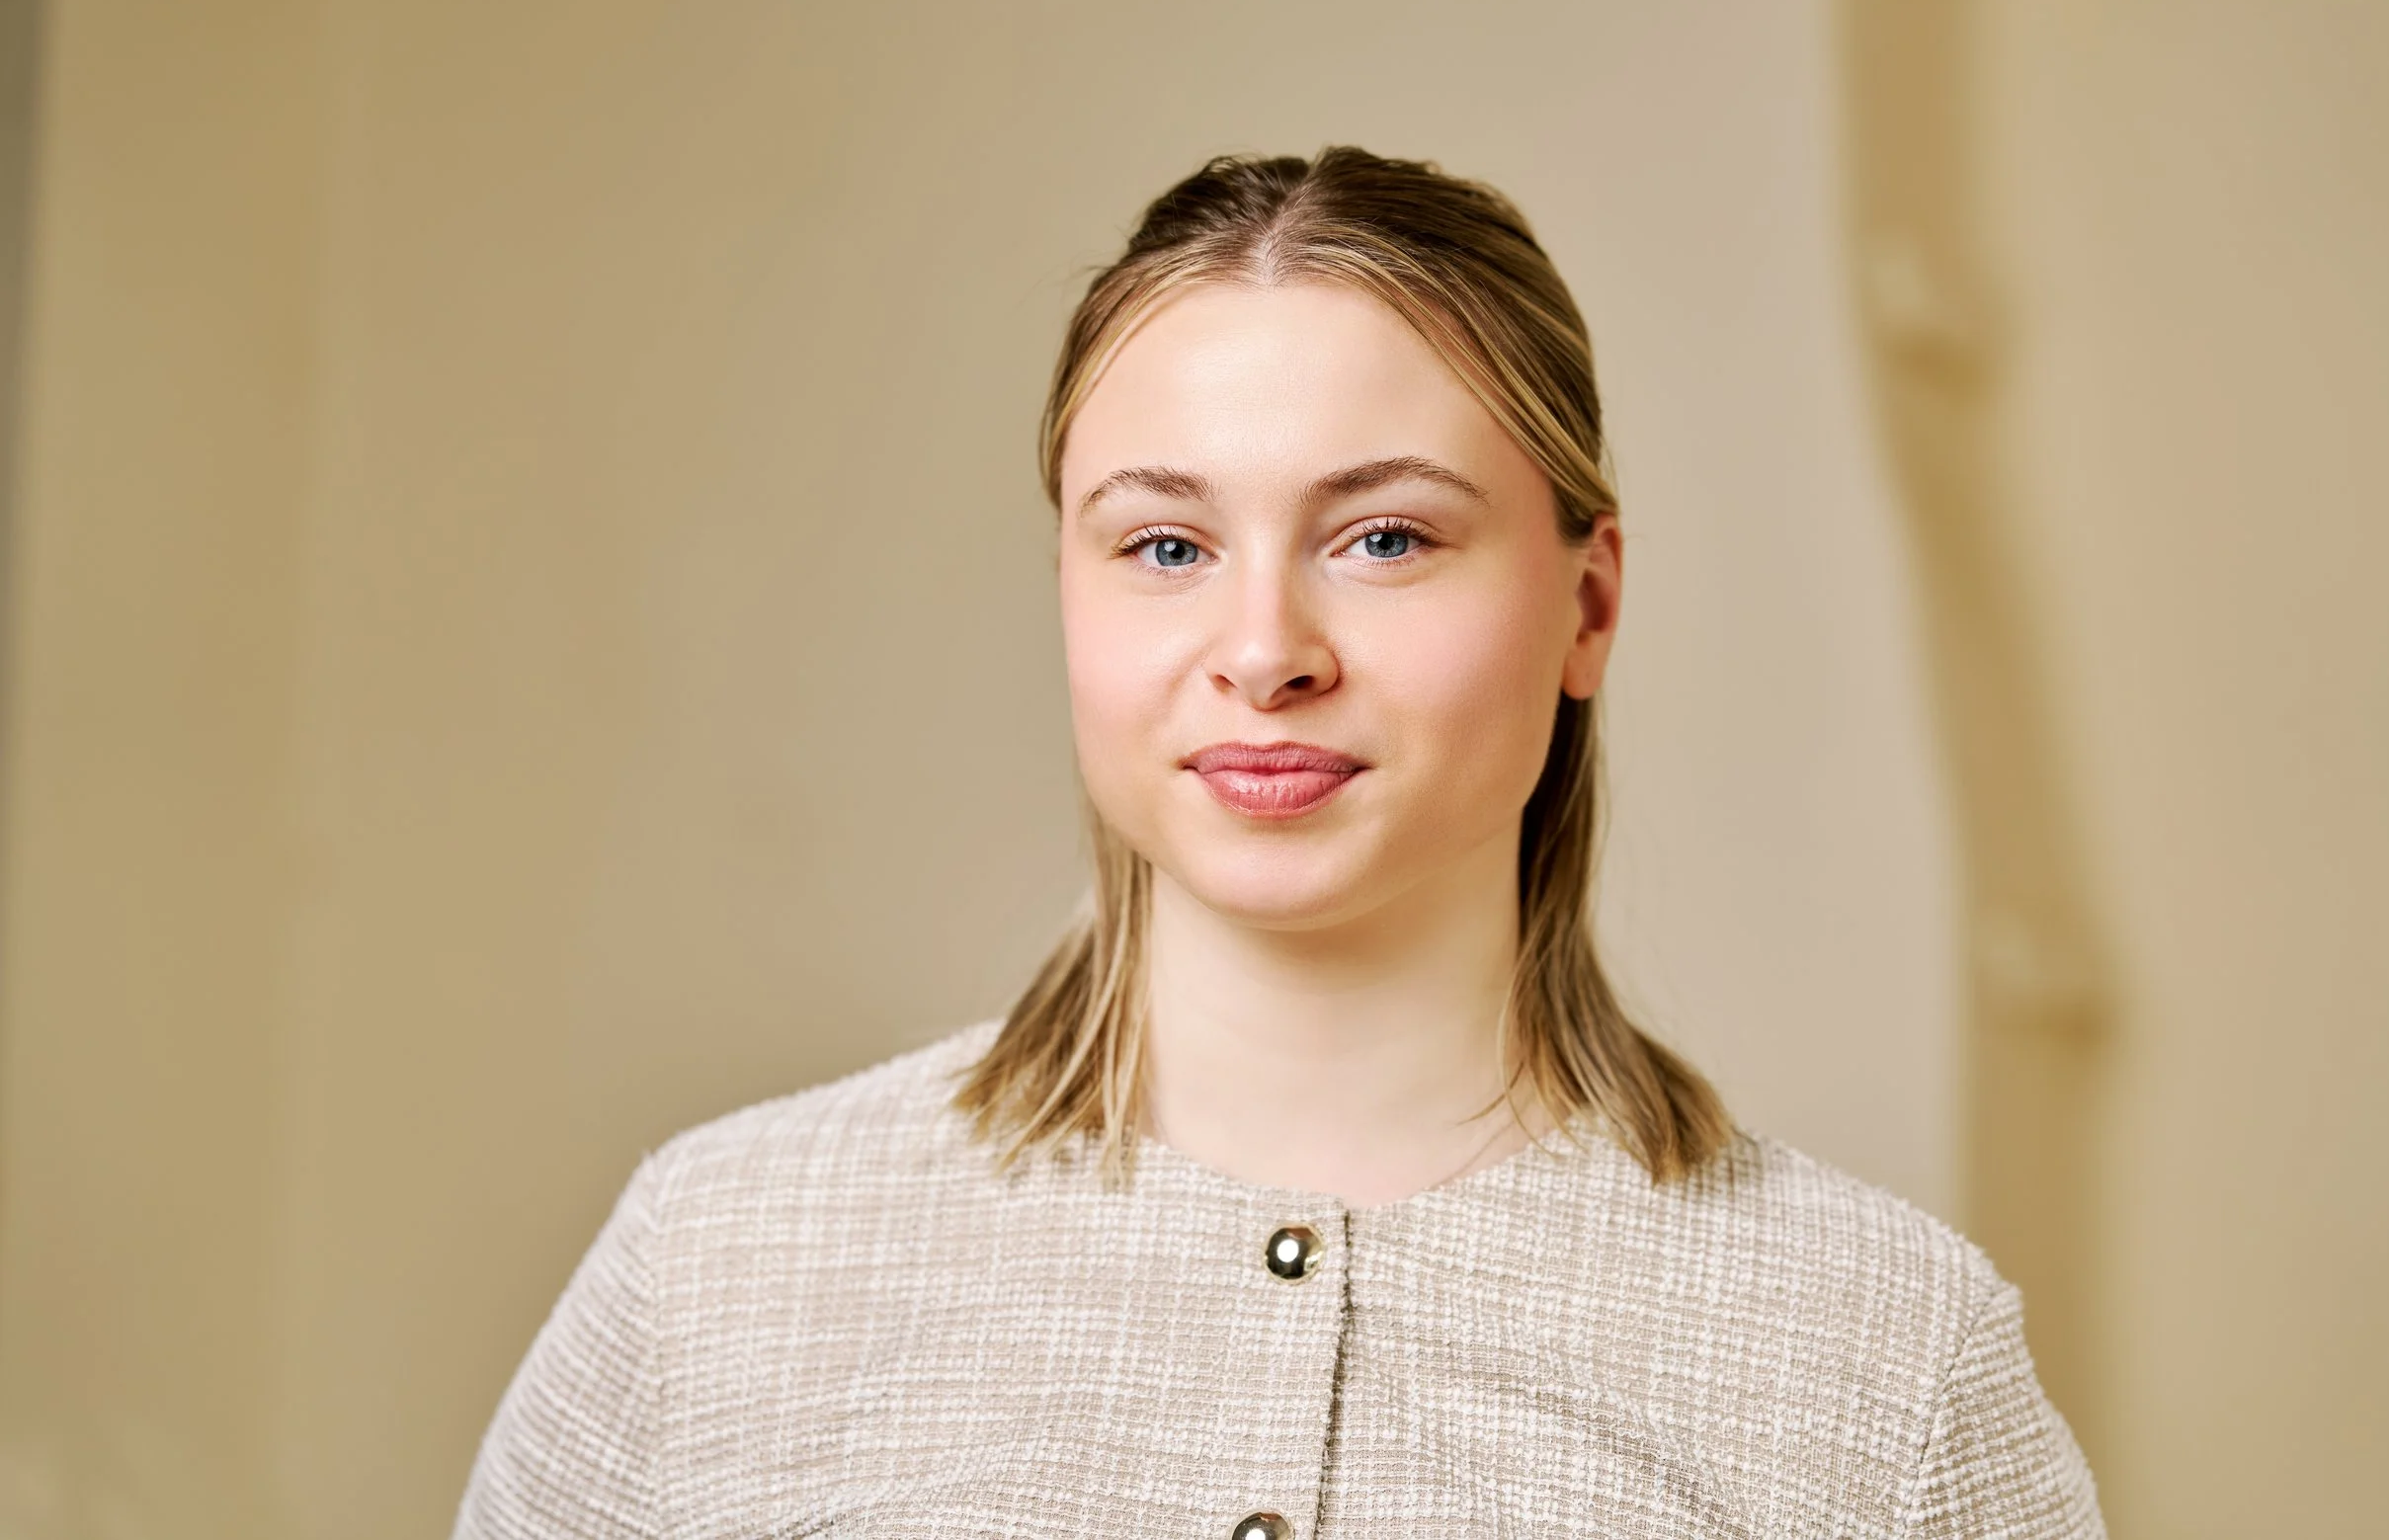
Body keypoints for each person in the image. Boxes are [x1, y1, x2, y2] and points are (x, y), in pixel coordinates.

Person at [453, 146, 2102, 1538]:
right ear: (1069, 595)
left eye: (1384, 537)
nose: (1263, 647)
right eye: (1165, 544)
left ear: (1586, 601)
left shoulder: (1887, 1360)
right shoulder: (722, 1261)